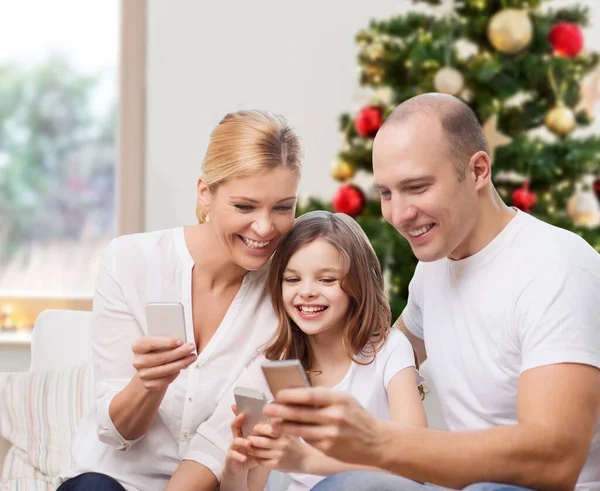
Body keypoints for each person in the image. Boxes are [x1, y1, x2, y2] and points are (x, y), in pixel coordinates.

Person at [263, 93, 600, 491]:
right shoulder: (433, 269)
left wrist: (377, 441)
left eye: (417, 187)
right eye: (386, 194)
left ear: (477, 171)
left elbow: (555, 460)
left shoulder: (556, 268)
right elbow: (380, 349)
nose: (399, 215)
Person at [56, 110, 304, 491]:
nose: (265, 227)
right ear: (205, 193)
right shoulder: (130, 261)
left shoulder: (286, 296)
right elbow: (116, 432)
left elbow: (222, 439)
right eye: (245, 206)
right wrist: (149, 385)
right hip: (112, 481)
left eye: (283, 207)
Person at [219, 210, 427, 491]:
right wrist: (235, 472)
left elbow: (416, 464)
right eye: (292, 280)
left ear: (357, 284)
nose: (306, 291)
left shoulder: (389, 349)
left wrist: (309, 460)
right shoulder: (276, 366)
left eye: (326, 280)